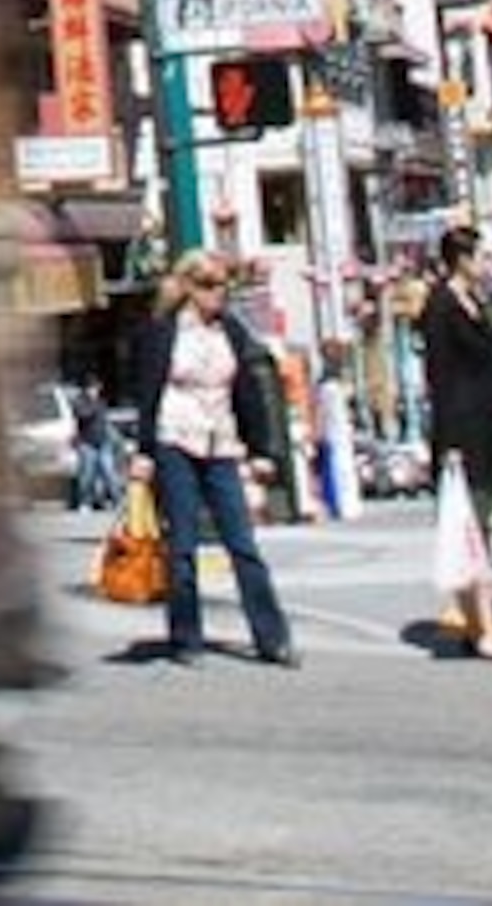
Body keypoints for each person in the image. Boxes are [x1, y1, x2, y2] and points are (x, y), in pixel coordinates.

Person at [126, 250, 298, 670]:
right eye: (208, 285)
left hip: (220, 443)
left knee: (243, 544)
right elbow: (147, 395)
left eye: (223, 285)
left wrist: (261, 450)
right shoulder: (162, 333)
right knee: (181, 545)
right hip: (175, 440)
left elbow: (248, 394)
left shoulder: (231, 332)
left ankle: (272, 638)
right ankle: (186, 638)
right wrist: (144, 451)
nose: (218, 294)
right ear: (188, 288)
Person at [417, 224, 492, 659]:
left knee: (484, 524)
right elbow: (441, 377)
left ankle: (478, 622)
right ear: (461, 258)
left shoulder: (478, 303)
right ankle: (484, 625)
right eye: (480, 256)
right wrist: (450, 440)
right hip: (463, 429)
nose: (486, 265)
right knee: (472, 527)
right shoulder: (442, 307)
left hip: (490, 425)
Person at [70, 375, 120, 513]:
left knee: (110, 473)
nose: (95, 391)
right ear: (86, 389)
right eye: (92, 388)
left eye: (97, 388)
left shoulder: (101, 402)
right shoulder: (79, 401)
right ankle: (85, 502)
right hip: (86, 443)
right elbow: (82, 415)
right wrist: (93, 407)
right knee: (86, 475)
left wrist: (113, 437)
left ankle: (117, 501)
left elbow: (105, 422)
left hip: (103, 442)